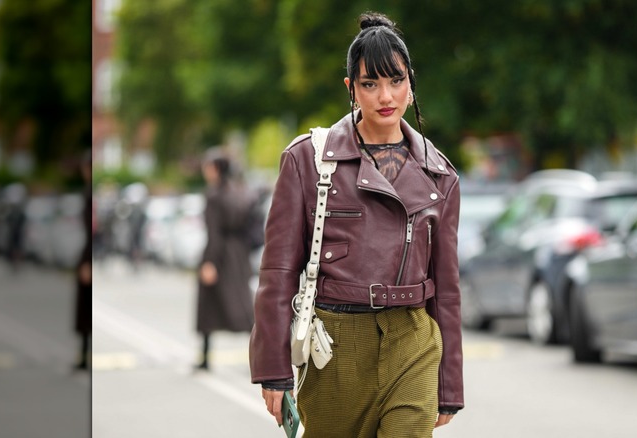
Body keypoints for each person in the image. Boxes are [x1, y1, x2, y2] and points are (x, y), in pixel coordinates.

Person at [249, 11, 464, 436]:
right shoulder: (307, 161)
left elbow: (448, 287)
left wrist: (449, 384)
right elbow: (278, 271)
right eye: (370, 83)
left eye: (396, 80)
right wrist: (273, 369)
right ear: (351, 88)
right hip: (335, 348)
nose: (386, 95)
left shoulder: (441, 175)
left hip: (413, 342)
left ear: (411, 82)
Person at [194, 148, 257, 371]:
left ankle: (204, 357)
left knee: (208, 306)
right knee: (243, 305)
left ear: (215, 169)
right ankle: (259, 357)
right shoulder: (240, 192)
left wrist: (209, 261)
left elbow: (214, 232)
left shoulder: (214, 195)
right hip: (238, 255)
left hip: (219, 254)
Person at [73, 151, 92, 371]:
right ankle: (83, 354)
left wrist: (87, 260)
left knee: (86, 309)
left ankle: (84, 356)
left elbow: (91, 231)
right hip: (88, 253)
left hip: (89, 255)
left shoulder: (90, 194)